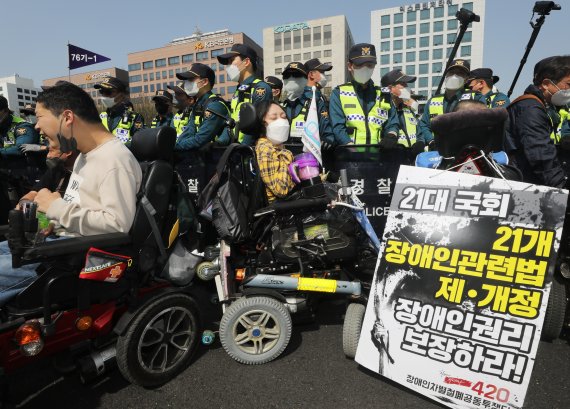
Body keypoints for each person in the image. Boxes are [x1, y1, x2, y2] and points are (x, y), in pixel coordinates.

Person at [0, 82, 142, 305]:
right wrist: (54, 223)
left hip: (73, 260)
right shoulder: (86, 155)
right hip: (58, 244)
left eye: (40, 117)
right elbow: (82, 208)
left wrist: (55, 207)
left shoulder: (114, 159)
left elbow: (117, 226)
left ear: (67, 117)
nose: (36, 127)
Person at [505, 55, 570, 187]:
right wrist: (561, 189)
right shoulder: (530, 108)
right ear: (546, 84)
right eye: (568, 84)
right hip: (528, 186)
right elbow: (540, 154)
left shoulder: (551, 106)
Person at [329, 43, 399, 146]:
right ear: (350, 66)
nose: (365, 69)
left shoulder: (384, 93)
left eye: (369, 65)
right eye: (360, 65)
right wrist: (350, 147)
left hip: (378, 156)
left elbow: (392, 123)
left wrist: (391, 135)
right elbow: (337, 126)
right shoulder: (339, 93)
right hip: (349, 156)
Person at [216, 43, 272, 145]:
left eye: (232, 61)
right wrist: (219, 142)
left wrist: (242, 149)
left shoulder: (260, 88)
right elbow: (233, 121)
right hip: (236, 148)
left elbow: (255, 126)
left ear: (246, 62)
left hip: (251, 151)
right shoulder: (239, 90)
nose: (228, 66)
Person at [417, 59, 475, 145]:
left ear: (466, 79)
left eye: (460, 74)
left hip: (464, 150)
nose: (454, 76)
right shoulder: (433, 100)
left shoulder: (475, 97)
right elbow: (424, 124)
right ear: (446, 76)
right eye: (451, 72)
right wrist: (431, 140)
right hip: (437, 150)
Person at [174, 63, 230, 150]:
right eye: (187, 80)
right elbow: (189, 132)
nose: (187, 83)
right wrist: (176, 145)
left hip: (218, 158)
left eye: (191, 79)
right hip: (203, 157)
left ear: (204, 82)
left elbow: (200, 139)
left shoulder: (215, 105)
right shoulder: (198, 105)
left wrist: (174, 147)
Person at [254, 101, 295, 203]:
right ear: (262, 123)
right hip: (276, 209)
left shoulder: (277, 147)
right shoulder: (265, 149)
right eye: (274, 118)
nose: (281, 122)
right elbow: (281, 190)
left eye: (284, 117)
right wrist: (287, 156)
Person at [381, 69, 423, 152]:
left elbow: (420, 132)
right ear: (390, 88)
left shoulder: (408, 109)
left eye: (406, 84)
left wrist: (421, 142)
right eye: (403, 84)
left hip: (412, 159)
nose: (407, 87)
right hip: (392, 160)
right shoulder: (382, 110)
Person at [95, 77, 145, 144]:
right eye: (101, 91)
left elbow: (141, 143)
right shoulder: (100, 117)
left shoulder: (135, 117)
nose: (104, 95)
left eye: (108, 92)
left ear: (121, 95)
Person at [302, 58, 336, 147]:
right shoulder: (308, 96)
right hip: (315, 146)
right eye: (322, 72)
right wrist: (329, 138)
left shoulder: (318, 95)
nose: (324, 76)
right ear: (311, 74)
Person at [0, 96, 40, 161]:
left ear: (5, 111)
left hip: (19, 168)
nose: (27, 116)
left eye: (30, 113)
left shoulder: (22, 126)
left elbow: (21, 148)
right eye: (25, 113)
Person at [281, 62, 308, 141]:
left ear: (306, 79)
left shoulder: (312, 105)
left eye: (296, 75)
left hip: (305, 151)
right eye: (287, 76)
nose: (291, 79)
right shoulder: (279, 107)